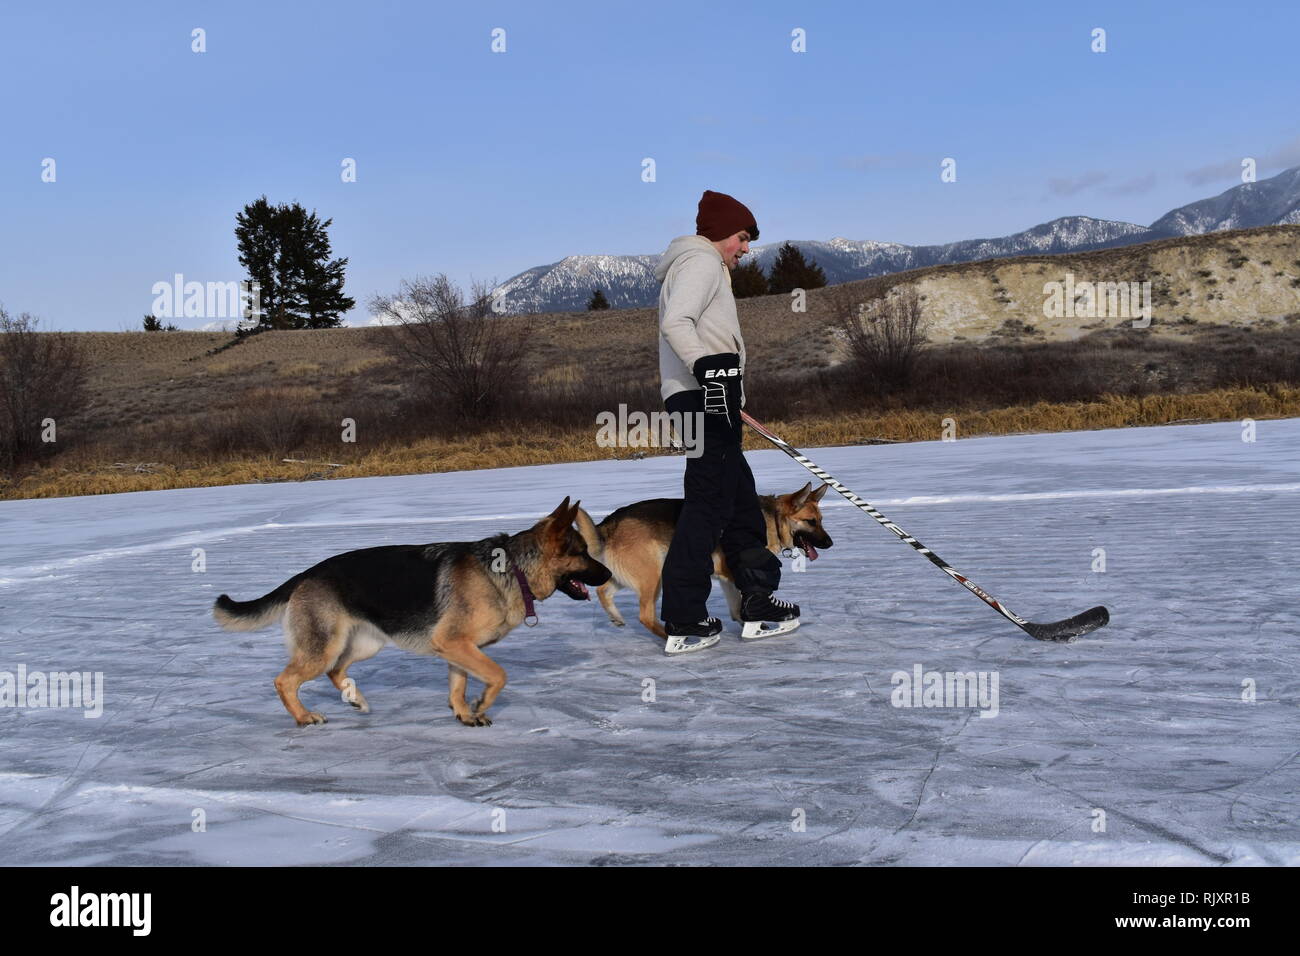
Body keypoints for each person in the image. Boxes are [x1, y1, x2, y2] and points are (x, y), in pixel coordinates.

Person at [653, 189, 800, 654]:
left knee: (738, 504)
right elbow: (677, 323)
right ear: (719, 233)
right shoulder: (700, 262)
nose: (746, 248)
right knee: (709, 506)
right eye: (741, 237)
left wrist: (722, 384)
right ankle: (684, 619)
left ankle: (756, 603)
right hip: (701, 399)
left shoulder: (703, 265)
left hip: (711, 398)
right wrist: (709, 371)